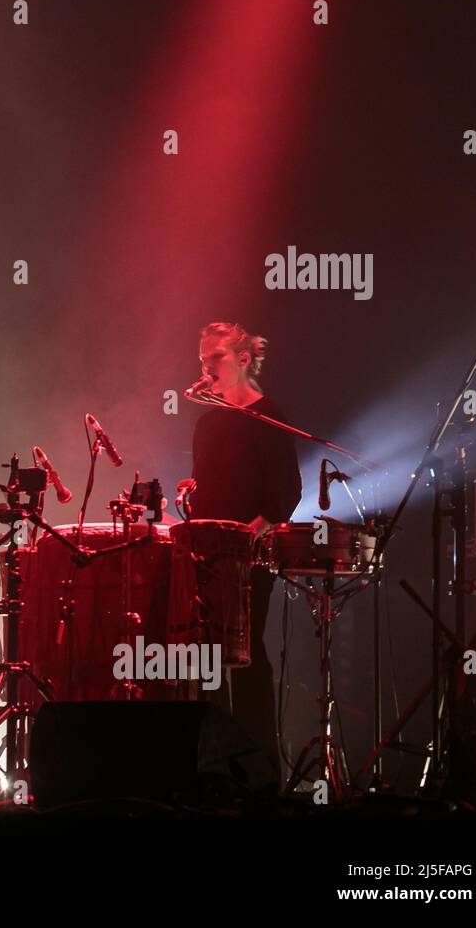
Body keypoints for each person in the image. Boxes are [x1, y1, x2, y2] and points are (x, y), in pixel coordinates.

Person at [178, 322, 301, 788]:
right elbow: (209, 482)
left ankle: (259, 771)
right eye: (202, 359)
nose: (205, 367)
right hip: (205, 554)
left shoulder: (269, 418)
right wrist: (192, 490)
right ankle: (212, 767)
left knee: (246, 655)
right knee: (203, 655)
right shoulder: (208, 421)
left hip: (249, 556)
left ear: (244, 360)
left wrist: (250, 537)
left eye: (215, 359)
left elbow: (286, 491)